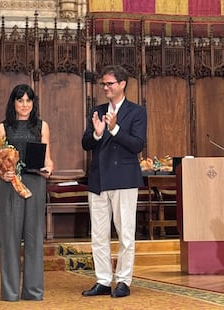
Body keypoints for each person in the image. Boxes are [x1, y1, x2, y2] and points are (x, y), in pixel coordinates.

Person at [81, 65, 147, 298]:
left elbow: (138, 145)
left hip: (124, 179)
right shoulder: (97, 110)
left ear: (122, 84)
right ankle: (102, 280)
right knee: (98, 235)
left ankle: (123, 280)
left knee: (125, 233)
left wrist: (115, 129)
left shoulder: (136, 112)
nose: (106, 88)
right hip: (99, 178)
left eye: (109, 83)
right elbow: (86, 143)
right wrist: (98, 133)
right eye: (104, 84)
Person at [0, 84, 54, 302]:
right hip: (11, 184)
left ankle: (33, 291)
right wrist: (3, 174)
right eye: (20, 100)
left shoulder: (41, 126)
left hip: (35, 182)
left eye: (29, 100)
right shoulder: (2, 128)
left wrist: (49, 168)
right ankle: (10, 292)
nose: (25, 105)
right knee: (10, 238)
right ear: (14, 103)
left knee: (34, 237)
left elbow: (48, 159)